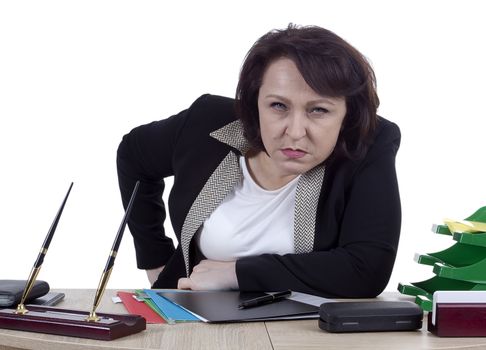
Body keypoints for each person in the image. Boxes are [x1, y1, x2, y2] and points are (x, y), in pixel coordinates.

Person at [117, 24, 401, 298]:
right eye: (278, 106)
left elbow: (366, 269)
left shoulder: (369, 145)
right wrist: (154, 258)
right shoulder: (204, 123)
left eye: (318, 110)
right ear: (254, 102)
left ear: (347, 115)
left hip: (308, 334)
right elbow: (133, 156)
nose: (295, 131)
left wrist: (236, 274)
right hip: (197, 322)